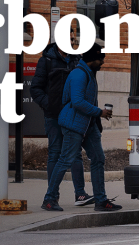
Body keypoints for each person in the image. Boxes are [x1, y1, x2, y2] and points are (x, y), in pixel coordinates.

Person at [42, 44, 122, 212]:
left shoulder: (89, 73)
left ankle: (100, 200)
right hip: (74, 125)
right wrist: (99, 112)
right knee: (65, 160)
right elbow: (77, 102)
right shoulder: (79, 74)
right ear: (93, 59)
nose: (102, 63)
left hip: (88, 124)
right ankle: (49, 199)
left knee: (98, 158)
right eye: (101, 60)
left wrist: (96, 117)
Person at [29, 40, 92, 207]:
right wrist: (49, 104)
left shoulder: (77, 60)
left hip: (72, 115)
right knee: (55, 153)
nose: (72, 43)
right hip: (54, 115)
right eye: (69, 40)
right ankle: (51, 197)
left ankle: (80, 195)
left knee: (76, 153)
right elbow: (35, 89)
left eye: (74, 40)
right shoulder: (47, 60)